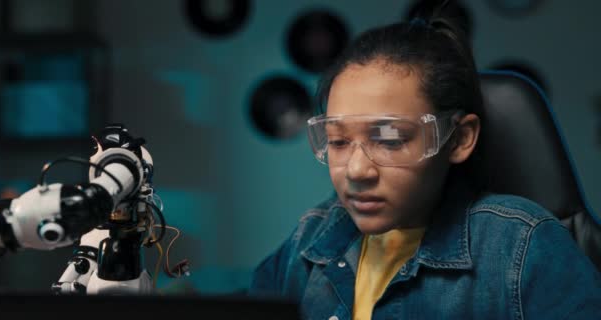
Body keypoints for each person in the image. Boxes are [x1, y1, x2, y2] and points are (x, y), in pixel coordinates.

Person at [248, 2, 601, 319]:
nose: (356, 170)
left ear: (460, 139)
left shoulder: (521, 247)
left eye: (389, 139)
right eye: (338, 141)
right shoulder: (312, 237)